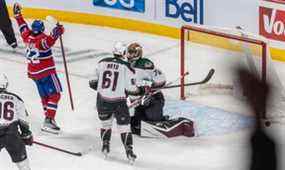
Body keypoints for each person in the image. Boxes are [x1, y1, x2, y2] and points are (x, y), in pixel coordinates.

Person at [89, 42, 145, 162]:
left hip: (102, 100)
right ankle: (129, 151)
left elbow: (92, 83)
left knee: (105, 124)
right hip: (119, 102)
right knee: (124, 127)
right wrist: (141, 90)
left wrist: (105, 90)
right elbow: (132, 90)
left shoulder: (102, 62)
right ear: (124, 53)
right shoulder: (126, 67)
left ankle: (105, 146)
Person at [13, 3, 64, 134]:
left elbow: (22, 27)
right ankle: (49, 119)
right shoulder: (42, 40)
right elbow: (51, 39)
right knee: (55, 95)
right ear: (41, 29)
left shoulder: (27, 37)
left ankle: (49, 120)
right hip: (46, 72)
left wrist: (18, 16)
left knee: (45, 97)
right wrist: (58, 30)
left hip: (33, 73)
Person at [127, 43, 195, 138]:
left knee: (152, 124)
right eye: (129, 52)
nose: (130, 55)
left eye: (133, 53)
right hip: (140, 102)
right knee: (136, 127)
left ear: (138, 53)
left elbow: (161, 80)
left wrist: (148, 88)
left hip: (154, 100)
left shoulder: (145, 64)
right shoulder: (126, 66)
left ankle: (182, 124)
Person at [0, 74, 33, 170]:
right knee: (23, 165)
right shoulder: (16, 98)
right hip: (12, 135)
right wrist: (26, 134)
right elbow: (23, 119)